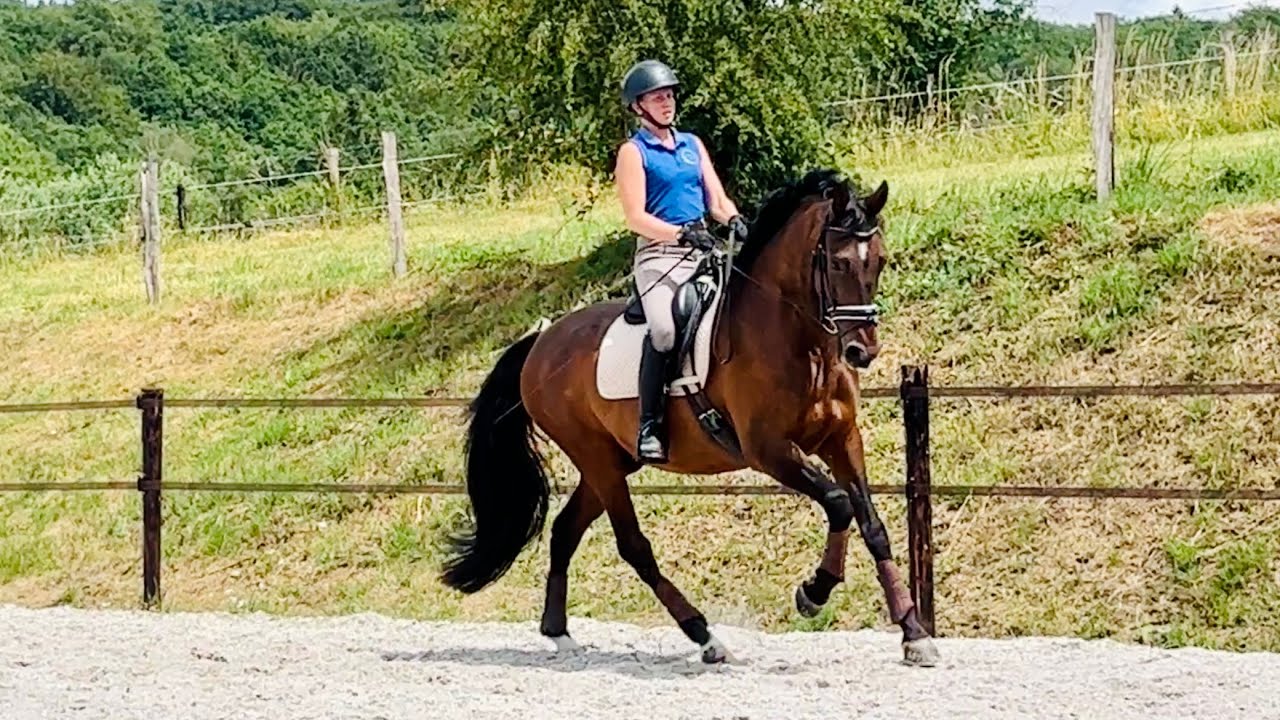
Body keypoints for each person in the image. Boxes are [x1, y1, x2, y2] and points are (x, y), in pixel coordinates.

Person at [614, 59, 750, 464]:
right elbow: (635, 216)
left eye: (670, 95)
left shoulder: (692, 144)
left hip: (704, 248)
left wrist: (736, 219)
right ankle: (650, 425)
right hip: (660, 256)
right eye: (658, 97)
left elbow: (717, 199)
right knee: (663, 331)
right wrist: (678, 233)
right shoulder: (633, 153)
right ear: (638, 106)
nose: (667, 102)